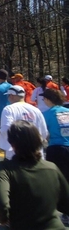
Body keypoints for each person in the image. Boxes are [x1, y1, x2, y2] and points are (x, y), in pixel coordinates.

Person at [0, 120, 69, 229]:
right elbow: (65, 202)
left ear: (12, 144)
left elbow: (1, 204)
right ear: (38, 141)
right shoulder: (52, 168)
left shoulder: (5, 169)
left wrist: (4, 219)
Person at [41, 88, 69, 224]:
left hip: (56, 149)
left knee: (56, 181)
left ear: (47, 99)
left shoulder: (46, 114)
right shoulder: (68, 111)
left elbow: (42, 134)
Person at [0, 85, 48, 160]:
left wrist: (7, 145)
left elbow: (6, 129)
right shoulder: (36, 110)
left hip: (16, 154)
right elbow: (44, 132)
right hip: (35, 153)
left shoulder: (9, 109)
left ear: (11, 96)